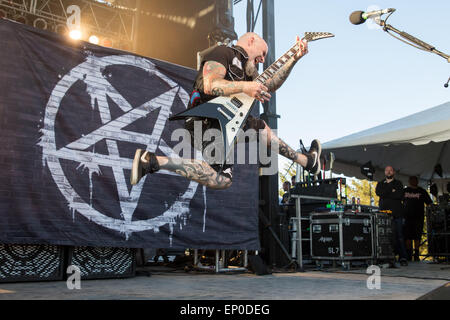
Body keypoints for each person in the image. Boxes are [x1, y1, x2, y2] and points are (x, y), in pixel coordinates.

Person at [130, 32, 322, 189]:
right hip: (205, 119)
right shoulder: (224, 52)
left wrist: (294, 58)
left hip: (224, 122)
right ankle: (153, 161)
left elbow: (271, 83)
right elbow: (210, 85)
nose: (263, 59)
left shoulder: (249, 73)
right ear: (251, 40)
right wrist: (244, 88)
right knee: (254, 134)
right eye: (262, 53)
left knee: (223, 177)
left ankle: (308, 162)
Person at [375, 165, 408, 266]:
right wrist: (391, 190)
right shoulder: (380, 183)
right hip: (384, 215)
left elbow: (399, 195)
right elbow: (378, 193)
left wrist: (386, 193)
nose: (388, 172)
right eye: (387, 170)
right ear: (385, 172)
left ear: (393, 172)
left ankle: (403, 257)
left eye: (390, 170)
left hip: (397, 214)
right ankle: (386, 257)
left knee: (399, 236)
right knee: (384, 236)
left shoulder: (398, 183)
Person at [403, 176, 432, 261]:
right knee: (407, 236)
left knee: (417, 236)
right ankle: (409, 254)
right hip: (407, 217)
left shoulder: (422, 191)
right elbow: (399, 201)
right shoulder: (405, 191)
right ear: (409, 181)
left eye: (415, 180)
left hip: (418, 217)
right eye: (411, 180)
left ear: (417, 181)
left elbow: (429, 203)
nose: (413, 181)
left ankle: (416, 253)